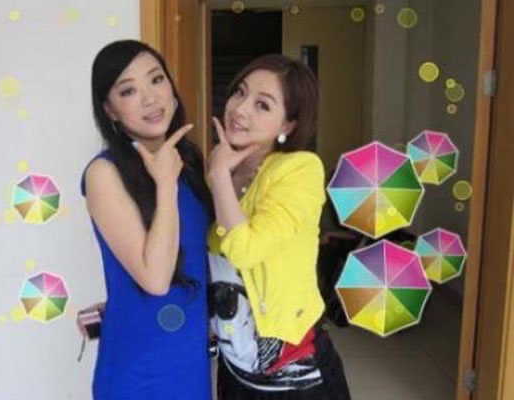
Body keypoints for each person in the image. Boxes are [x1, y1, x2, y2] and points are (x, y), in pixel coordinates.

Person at [207, 54, 351, 399]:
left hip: (296, 379)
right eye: (240, 92)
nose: (240, 109)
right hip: (235, 371)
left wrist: (218, 177)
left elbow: (245, 251)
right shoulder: (224, 168)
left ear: (288, 125)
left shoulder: (300, 169)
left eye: (263, 105)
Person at [81, 40, 212, 400]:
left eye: (156, 79)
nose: (150, 99)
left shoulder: (187, 161)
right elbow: (155, 279)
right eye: (128, 91)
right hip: (139, 368)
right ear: (110, 110)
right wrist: (165, 185)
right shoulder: (104, 173)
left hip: (189, 358)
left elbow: (197, 256)